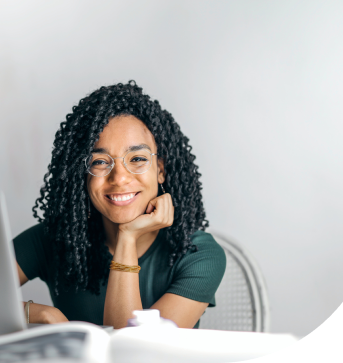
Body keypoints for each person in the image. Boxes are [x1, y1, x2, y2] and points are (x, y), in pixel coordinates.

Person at [13, 81, 226, 329]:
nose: (120, 178)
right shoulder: (54, 238)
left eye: (137, 159)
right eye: (100, 162)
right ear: (81, 174)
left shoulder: (198, 254)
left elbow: (134, 353)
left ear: (161, 170)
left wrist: (127, 237)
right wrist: (40, 313)